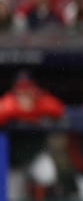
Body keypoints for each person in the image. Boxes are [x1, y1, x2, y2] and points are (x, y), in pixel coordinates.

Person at [0, 71, 65, 200]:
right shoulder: (9, 102)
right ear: (15, 90)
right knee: (13, 197)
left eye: (27, 88)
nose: (24, 92)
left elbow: (58, 109)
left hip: (34, 156)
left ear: (33, 88)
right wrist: (25, 113)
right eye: (21, 88)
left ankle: (36, 194)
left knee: (48, 174)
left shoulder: (40, 101)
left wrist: (34, 106)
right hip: (14, 163)